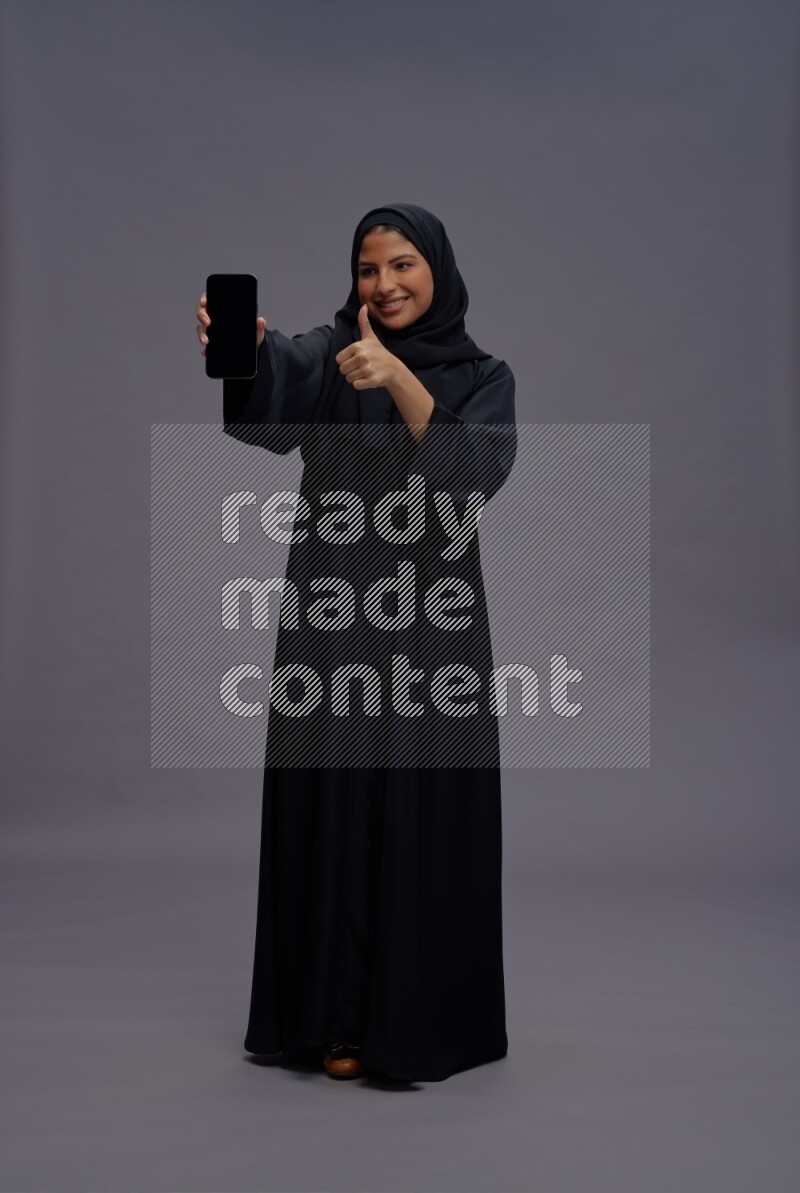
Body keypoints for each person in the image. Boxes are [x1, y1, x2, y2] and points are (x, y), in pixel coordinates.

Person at [195, 202, 517, 1082]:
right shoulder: (334, 354)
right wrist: (245, 352)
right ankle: (334, 1020)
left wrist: (401, 381)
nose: (386, 285)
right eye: (370, 269)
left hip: (431, 619)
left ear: (439, 270)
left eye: (404, 265)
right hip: (332, 609)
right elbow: (266, 412)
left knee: (420, 799)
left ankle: (421, 1023)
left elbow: (471, 478)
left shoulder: (484, 374)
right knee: (333, 792)